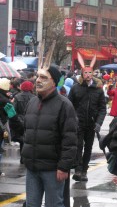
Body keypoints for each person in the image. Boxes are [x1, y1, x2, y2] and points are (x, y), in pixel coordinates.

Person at [21, 65, 78, 207]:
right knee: (31, 204)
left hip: (53, 169)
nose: (38, 80)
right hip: (32, 167)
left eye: (44, 77)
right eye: (38, 76)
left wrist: (64, 167)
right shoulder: (33, 102)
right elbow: (27, 132)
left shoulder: (65, 105)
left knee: (54, 204)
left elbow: (69, 140)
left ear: (54, 82)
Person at [68, 54, 107, 182]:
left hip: (91, 124)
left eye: (90, 72)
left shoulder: (98, 90)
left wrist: (98, 123)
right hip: (78, 123)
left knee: (88, 148)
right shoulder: (75, 88)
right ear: (82, 73)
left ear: (93, 73)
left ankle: (84, 170)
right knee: (78, 146)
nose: (88, 75)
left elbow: (102, 108)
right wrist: (73, 119)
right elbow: (70, 105)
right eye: (86, 73)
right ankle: (78, 170)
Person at [11, 80, 35, 163]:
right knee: (29, 139)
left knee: (22, 139)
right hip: (31, 120)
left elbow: (14, 109)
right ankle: (27, 157)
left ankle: (22, 157)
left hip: (20, 119)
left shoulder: (17, 97)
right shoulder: (34, 97)